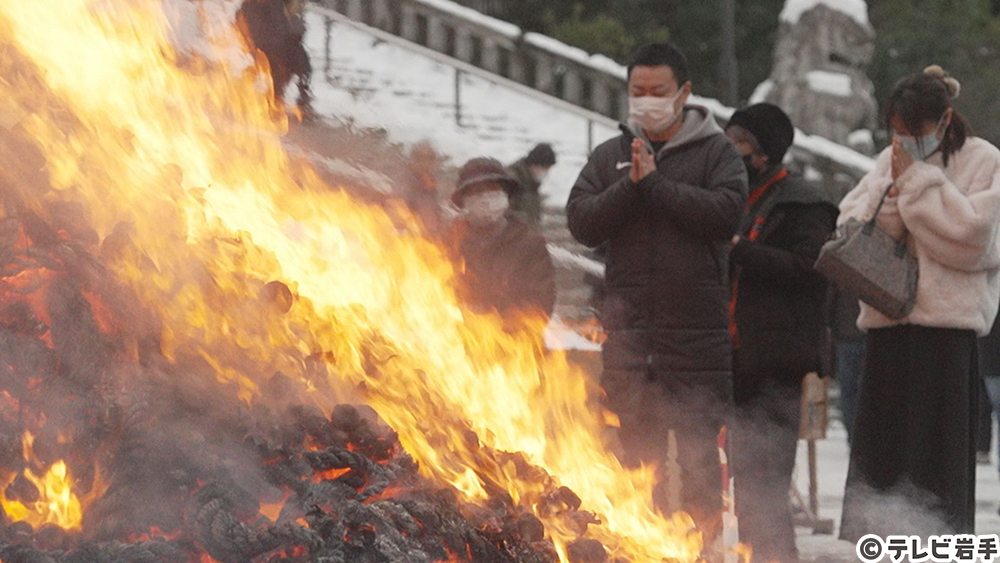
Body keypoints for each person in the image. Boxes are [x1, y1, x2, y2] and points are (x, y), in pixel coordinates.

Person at [565, 42, 747, 543]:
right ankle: (637, 548)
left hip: (696, 343)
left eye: (657, 91)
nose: (646, 100)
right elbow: (580, 220)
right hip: (630, 341)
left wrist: (656, 185)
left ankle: (706, 549)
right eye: (637, 91)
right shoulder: (612, 155)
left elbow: (726, 214)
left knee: (699, 468)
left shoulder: (717, 153)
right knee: (636, 467)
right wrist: (630, 186)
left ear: (684, 93)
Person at [837, 66, 1000, 539]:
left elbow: (972, 241)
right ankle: (882, 544)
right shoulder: (887, 159)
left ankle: (939, 547)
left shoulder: (984, 160)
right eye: (898, 132)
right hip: (890, 324)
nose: (906, 142)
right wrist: (897, 192)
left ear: (945, 120)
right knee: (884, 458)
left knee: (938, 463)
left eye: (917, 132)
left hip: (947, 333)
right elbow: (854, 223)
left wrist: (916, 186)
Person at [724, 103, 838, 563]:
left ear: (765, 151)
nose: (731, 152)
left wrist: (739, 250)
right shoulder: (735, 198)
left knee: (766, 485)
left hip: (776, 362)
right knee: (743, 483)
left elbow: (811, 270)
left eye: (741, 144)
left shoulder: (804, 205)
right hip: (733, 357)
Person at [447, 157, 556, 323]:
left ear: (506, 195)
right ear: (464, 201)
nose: (485, 200)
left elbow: (541, 301)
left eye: (493, 191)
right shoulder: (445, 243)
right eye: (477, 192)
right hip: (454, 342)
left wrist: (498, 321)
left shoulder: (530, 244)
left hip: (513, 342)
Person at [238, 0, 314, 118]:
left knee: (304, 66)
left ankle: (302, 102)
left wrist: (295, 34)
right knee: (276, 70)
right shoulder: (251, 5)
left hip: (286, 41)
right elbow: (253, 29)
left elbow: (288, 20)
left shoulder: (278, 4)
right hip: (266, 45)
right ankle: (273, 102)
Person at [402, 141, 446, 238]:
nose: (425, 163)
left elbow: (434, 210)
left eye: (429, 159)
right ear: (412, 159)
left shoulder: (431, 182)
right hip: (408, 236)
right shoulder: (405, 180)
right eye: (420, 159)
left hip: (427, 237)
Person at [507, 143, 557, 225]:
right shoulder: (512, 180)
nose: (546, 172)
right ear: (534, 164)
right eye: (544, 168)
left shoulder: (531, 184)